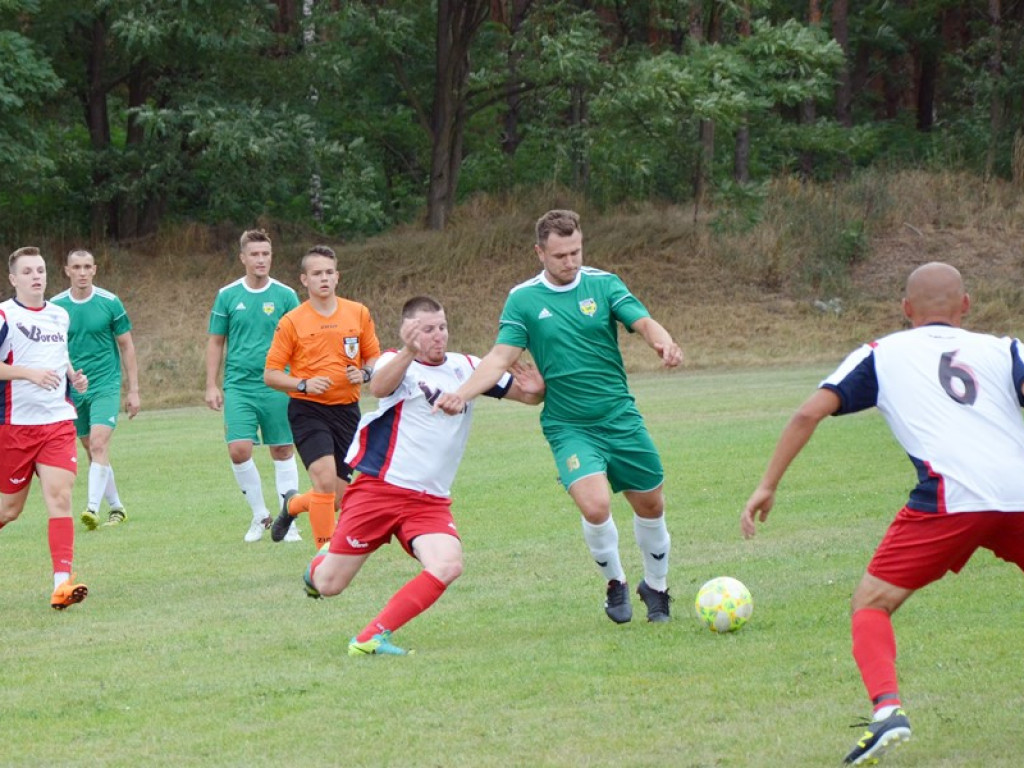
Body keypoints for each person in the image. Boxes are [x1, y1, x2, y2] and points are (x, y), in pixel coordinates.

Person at [741, 262, 1024, 766]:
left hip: (948, 500)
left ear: (905, 309)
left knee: (870, 602)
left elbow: (809, 412)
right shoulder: (1006, 348)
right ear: (966, 305)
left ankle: (887, 712)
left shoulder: (881, 353)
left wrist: (767, 485)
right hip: (1018, 495)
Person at [435, 209, 683, 623]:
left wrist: (665, 343)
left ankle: (655, 587)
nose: (570, 262)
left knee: (651, 506)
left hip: (619, 416)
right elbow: (500, 356)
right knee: (596, 506)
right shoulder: (524, 299)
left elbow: (643, 321)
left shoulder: (603, 284)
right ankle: (616, 583)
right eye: (560, 255)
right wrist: (462, 394)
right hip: (569, 425)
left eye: (576, 252)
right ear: (539, 253)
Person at [304, 296, 545, 656]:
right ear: (409, 330)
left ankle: (369, 638)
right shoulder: (396, 362)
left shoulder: (467, 366)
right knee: (328, 584)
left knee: (448, 565)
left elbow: (526, 396)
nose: (437, 336)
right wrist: (406, 349)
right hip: (379, 490)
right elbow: (379, 387)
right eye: (427, 329)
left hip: (429, 501)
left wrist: (536, 390)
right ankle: (322, 563)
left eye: (442, 327)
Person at [265, 244, 381, 550]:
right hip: (308, 410)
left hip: (347, 411)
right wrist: (302, 384)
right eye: (317, 273)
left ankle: (292, 505)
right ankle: (325, 559)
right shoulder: (292, 321)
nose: (324, 278)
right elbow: (272, 374)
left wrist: (366, 374)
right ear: (304, 280)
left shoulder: (358, 312)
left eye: (329, 272)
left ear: (338, 276)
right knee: (325, 482)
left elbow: (373, 358)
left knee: (336, 498)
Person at [1, 246, 90, 609]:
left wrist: (73, 376)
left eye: (40, 270)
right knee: (8, 511)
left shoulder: (58, 315)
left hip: (56, 422)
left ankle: (61, 585)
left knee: (60, 498)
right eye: (28, 272)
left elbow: (60, 354)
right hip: (16, 427)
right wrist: (28, 373)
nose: (37, 276)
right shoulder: (4, 315)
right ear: (13, 279)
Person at [206, 229, 303, 543]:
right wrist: (211, 384)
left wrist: (300, 381)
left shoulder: (286, 295)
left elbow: (301, 341)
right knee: (239, 449)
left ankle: (288, 521)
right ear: (243, 258)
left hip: (277, 384)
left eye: (266, 254)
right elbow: (216, 341)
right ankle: (260, 515)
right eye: (255, 254)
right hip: (239, 386)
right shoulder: (228, 295)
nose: (261, 260)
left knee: (283, 449)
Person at [51, 249, 139, 529]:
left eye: (87, 267)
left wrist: (133, 389)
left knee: (99, 444)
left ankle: (91, 509)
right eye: (76, 267)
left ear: (95, 270)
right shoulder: (55, 307)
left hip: (105, 383)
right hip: (74, 387)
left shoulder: (110, 302)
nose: (82, 272)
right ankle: (117, 507)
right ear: (67, 270)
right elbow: (54, 348)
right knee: (91, 448)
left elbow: (126, 345)